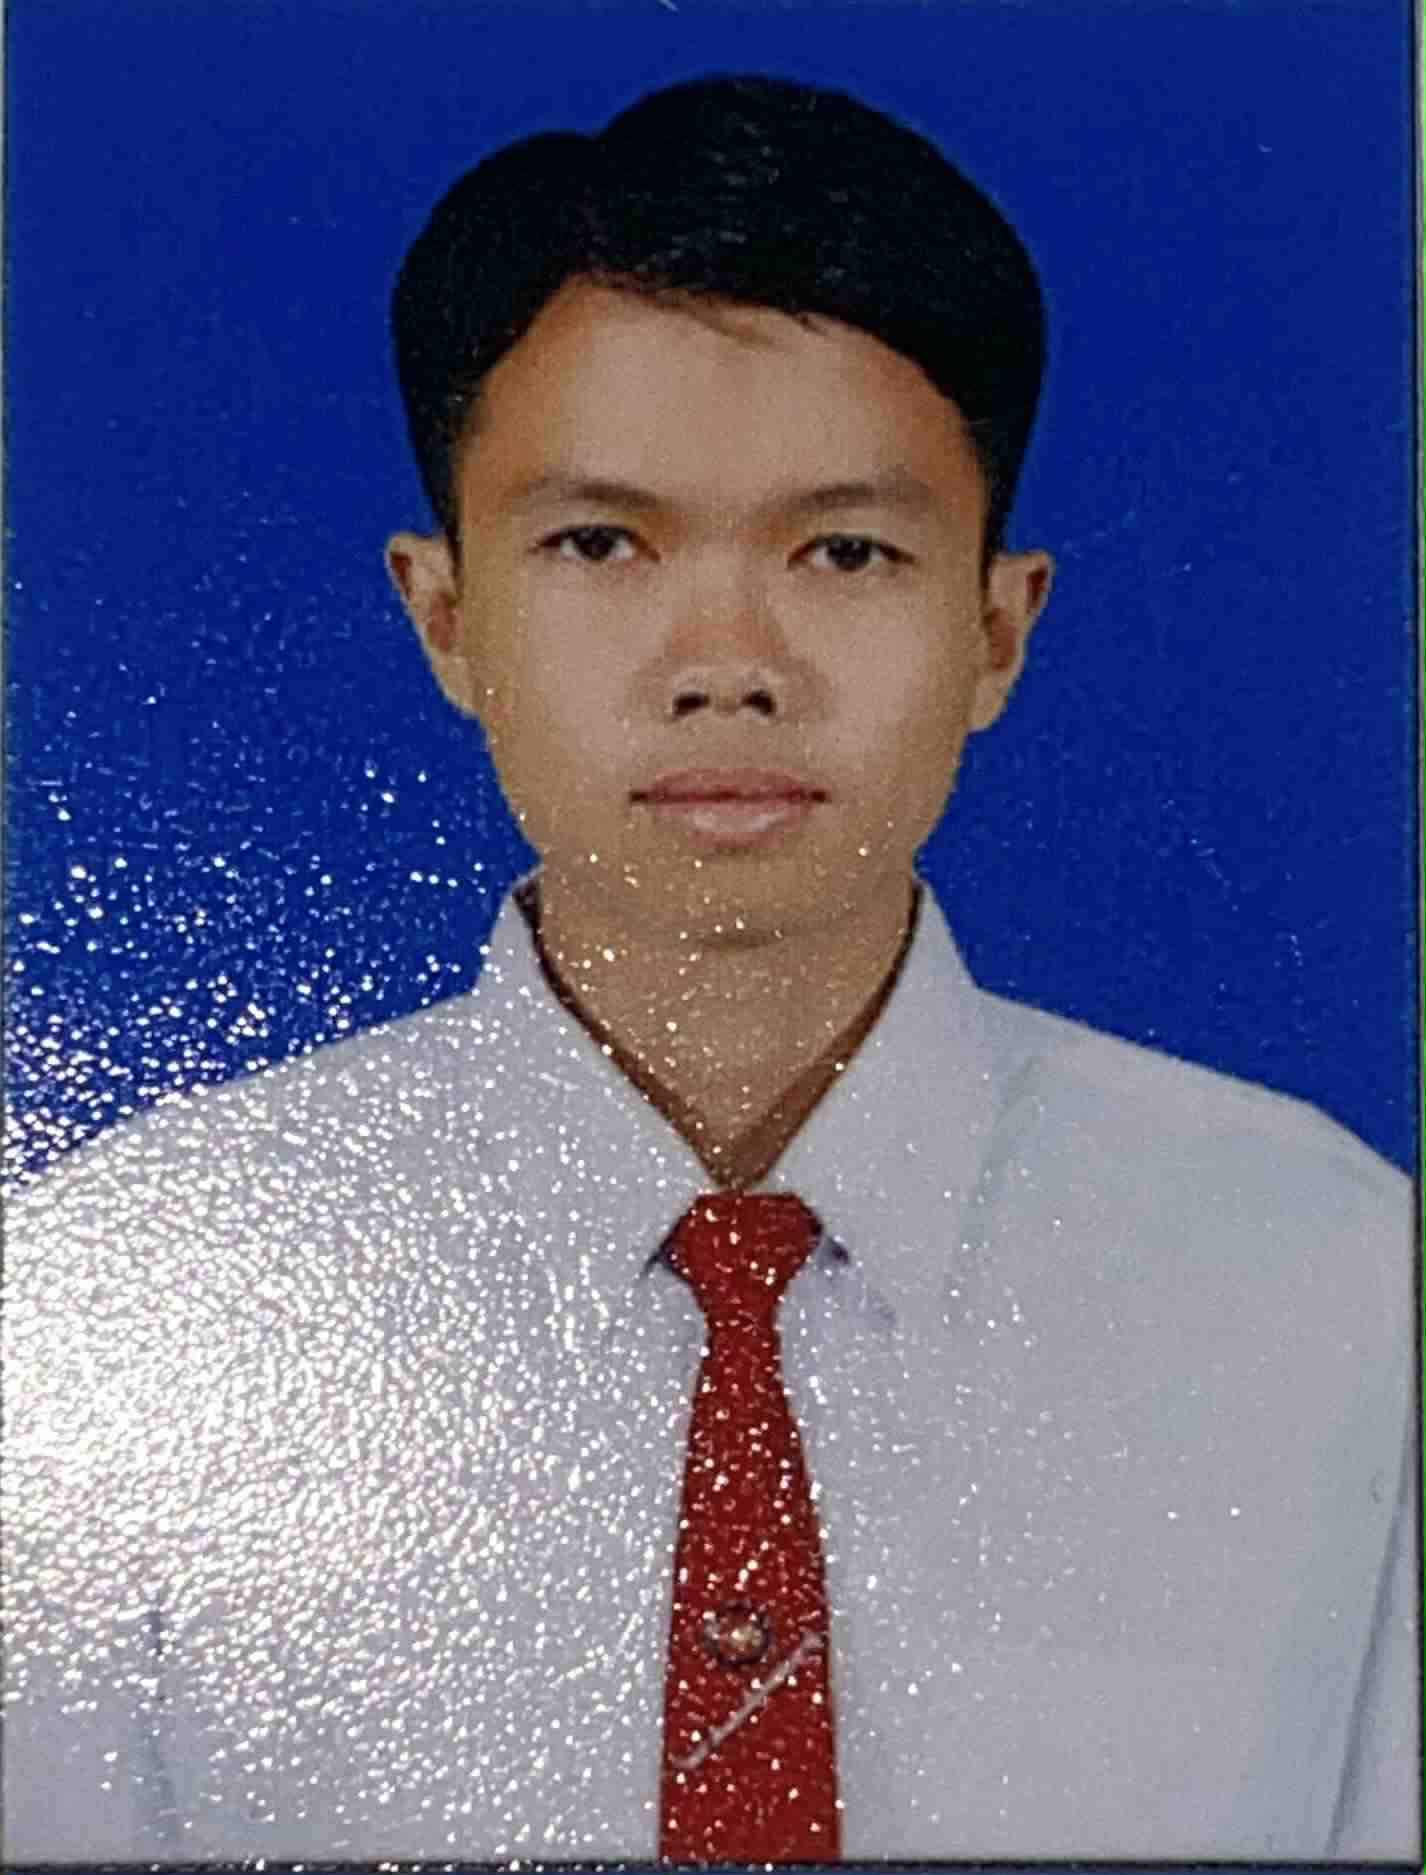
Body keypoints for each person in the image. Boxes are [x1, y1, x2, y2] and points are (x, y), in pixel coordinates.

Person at [3, 75, 1415, 1863]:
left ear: (995, 627)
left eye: (846, 550)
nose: (727, 663)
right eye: (600, 543)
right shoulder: (117, 1301)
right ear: (445, 615)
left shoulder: (1338, 1289)